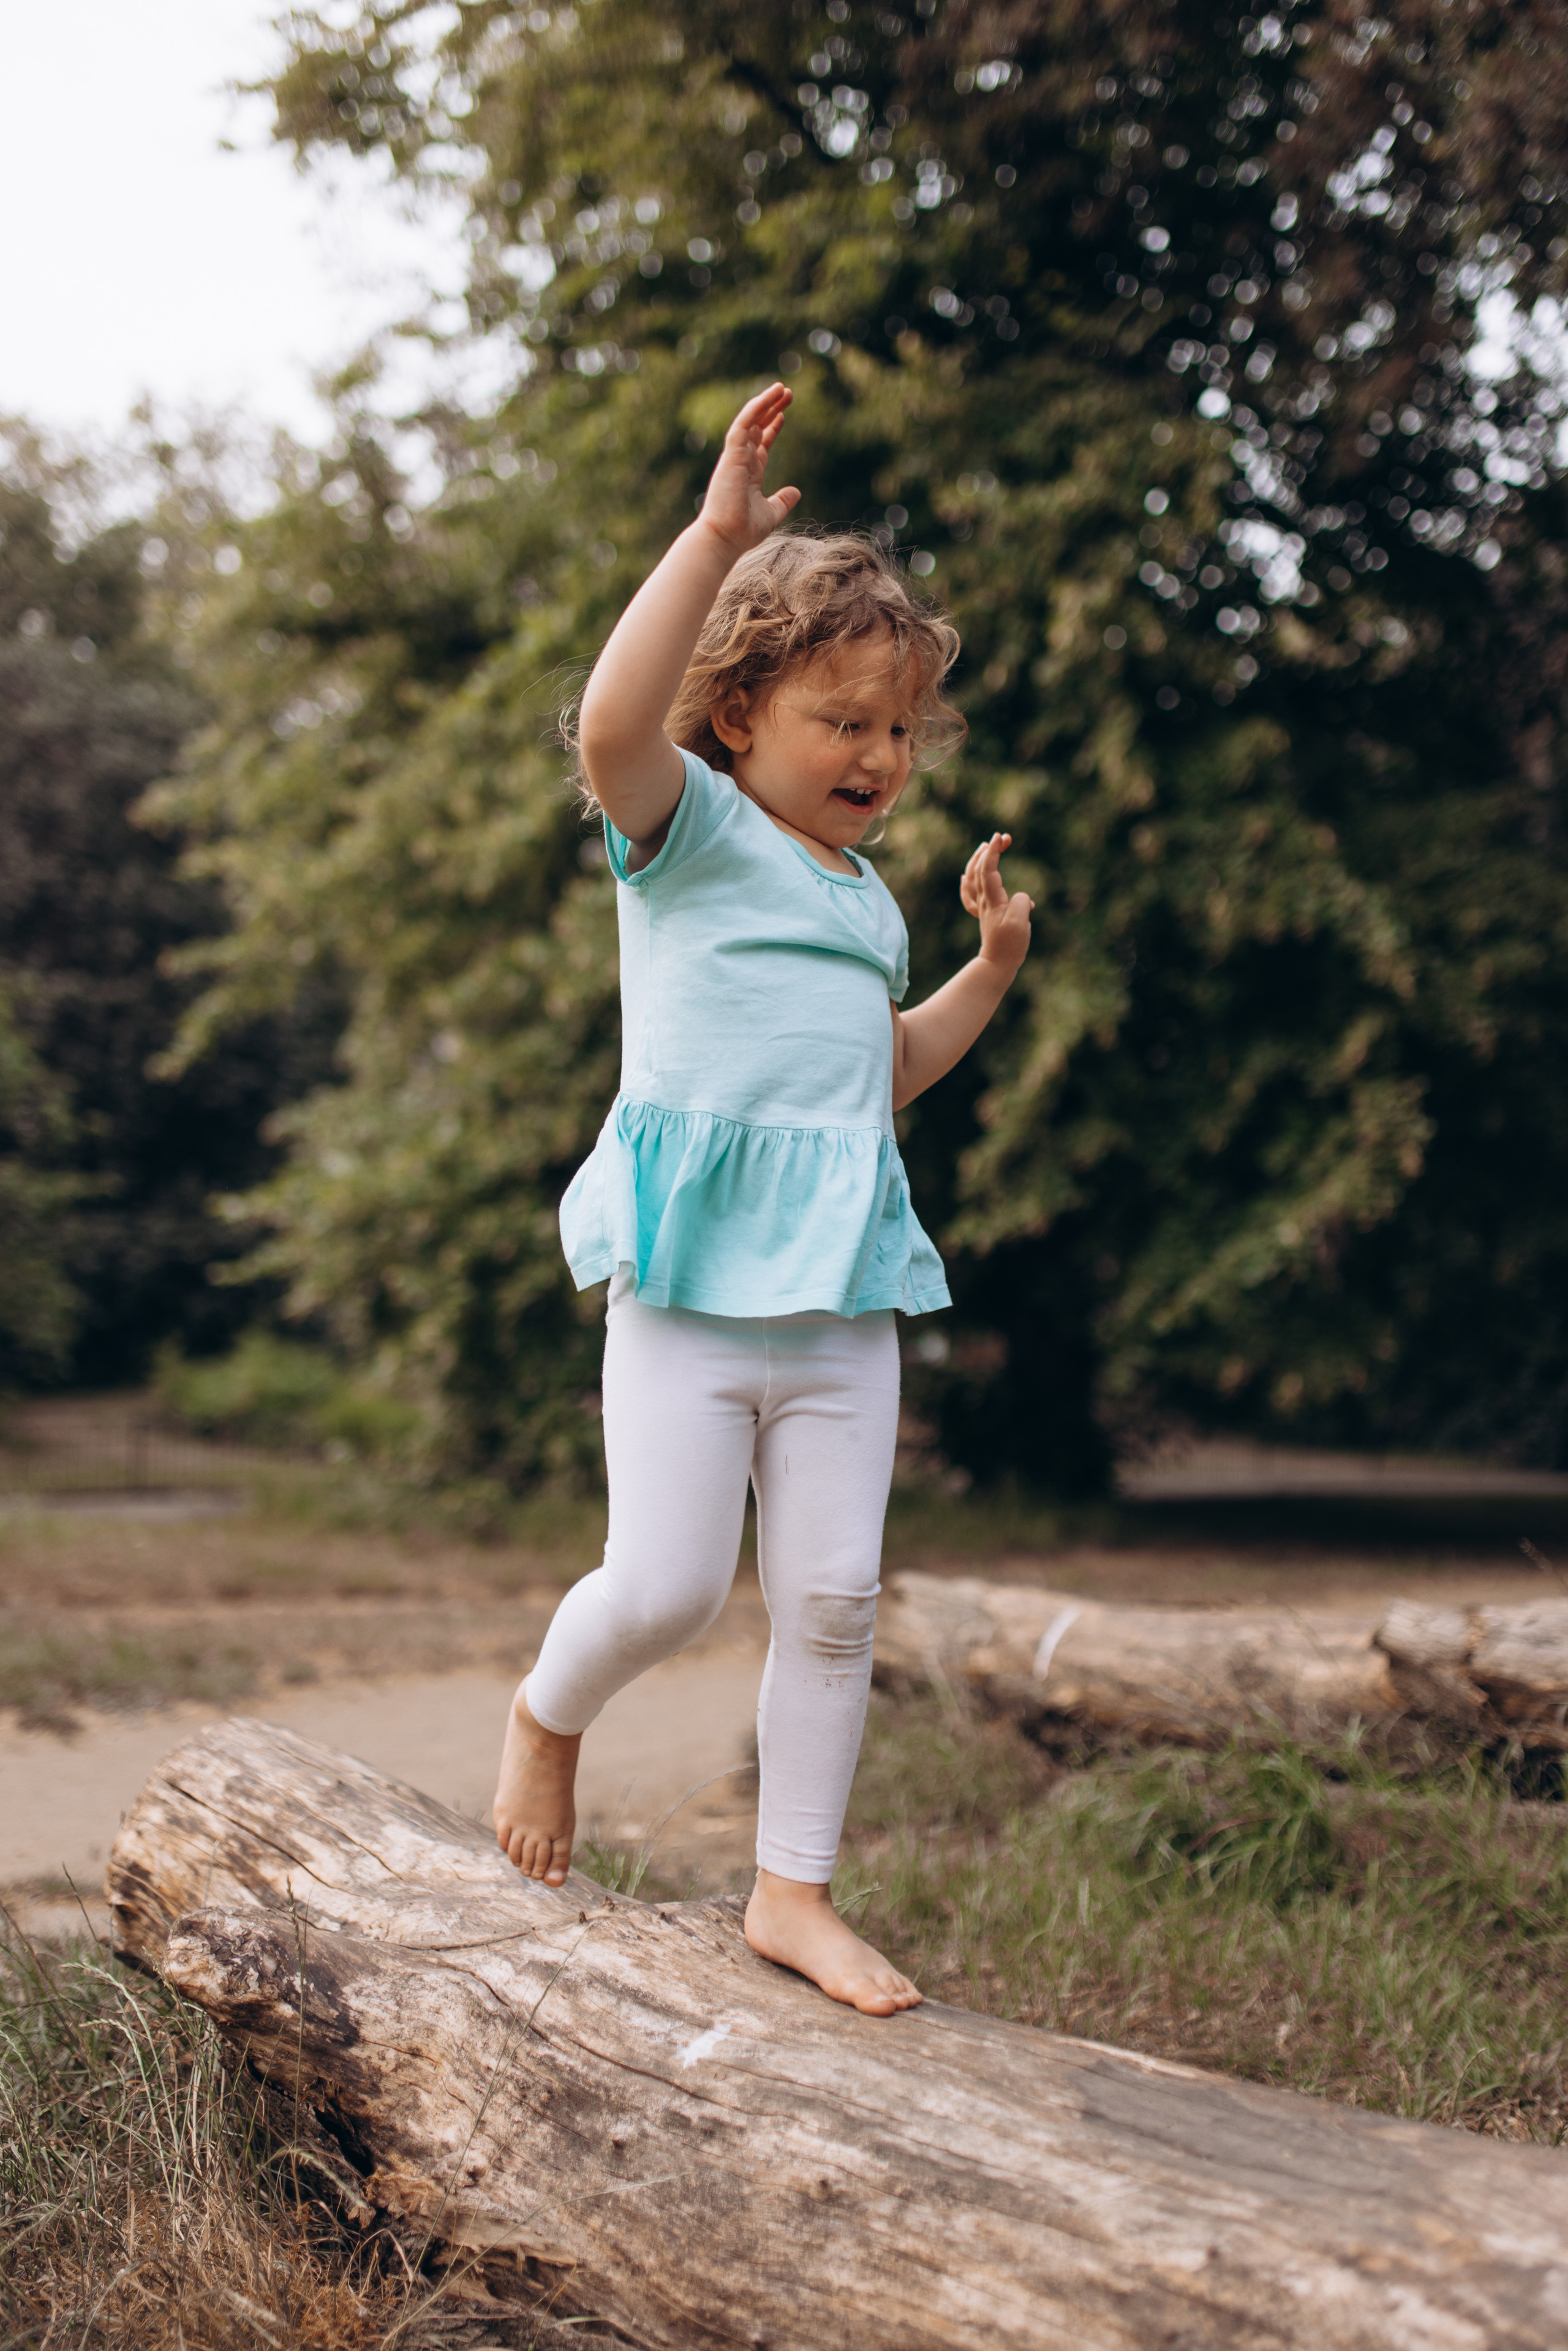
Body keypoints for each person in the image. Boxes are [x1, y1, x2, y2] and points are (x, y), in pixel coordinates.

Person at [493, 383, 1032, 2015]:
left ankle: (789, 1891)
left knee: (834, 1598)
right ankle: (546, 1714)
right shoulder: (691, 835)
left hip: (838, 1306)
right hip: (689, 1297)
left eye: (895, 729)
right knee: (663, 1586)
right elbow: (605, 731)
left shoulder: (868, 907)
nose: (876, 754)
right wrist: (717, 536)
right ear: (738, 717)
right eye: (841, 719)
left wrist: (988, 974)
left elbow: (875, 1078)